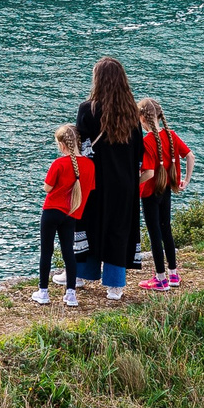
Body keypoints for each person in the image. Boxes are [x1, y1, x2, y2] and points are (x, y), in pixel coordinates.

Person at [74, 56, 146, 302]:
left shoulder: (88, 109)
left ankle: (82, 275)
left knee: (89, 224)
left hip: (95, 183)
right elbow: (139, 153)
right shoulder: (131, 114)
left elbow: (81, 147)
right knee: (118, 229)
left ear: (98, 80)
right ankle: (115, 286)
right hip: (124, 183)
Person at [35, 122, 93, 306]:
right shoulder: (90, 166)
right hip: (71, 215)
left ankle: (43, 292)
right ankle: (71, 295)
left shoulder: (59, 164)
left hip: (51, 212)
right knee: (69, 251)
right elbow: (89, 188)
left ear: (61, 145)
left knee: (47, 251)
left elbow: (48, 188)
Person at [138, 98, 192, 291]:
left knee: (154, 234)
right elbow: (189, 156)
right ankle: (173, 274)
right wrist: (185, 180)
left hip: (149, 192)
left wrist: (131, 187)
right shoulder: (171, 135)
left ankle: (160, 279)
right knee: (166, 230)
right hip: (166, 188)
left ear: (143, 118)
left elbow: (148, 173)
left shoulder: (146, 142)